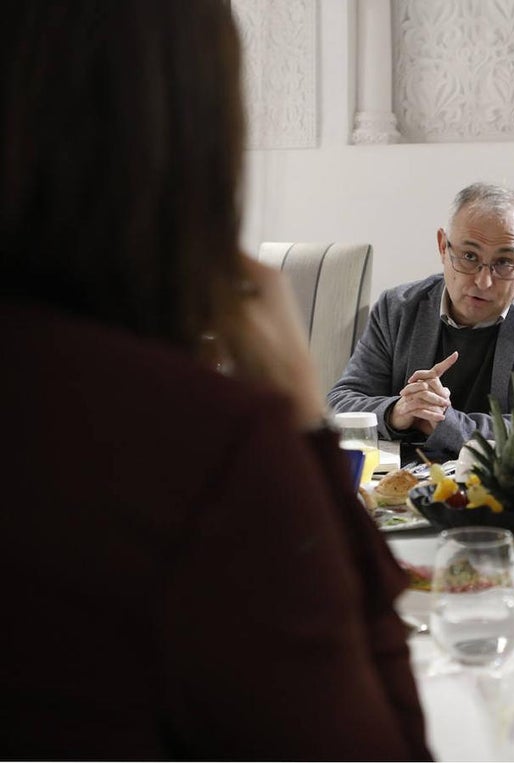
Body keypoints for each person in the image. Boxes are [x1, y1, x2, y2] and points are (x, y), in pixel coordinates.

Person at [0, 2, 430, 759]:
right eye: (466, 253)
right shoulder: (206, 444)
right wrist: (325, 421)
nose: (481, 273)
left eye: (502, 260)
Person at [327, 182, 514, 462]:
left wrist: (449, 425)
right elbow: (340, 403)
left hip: (512, 496)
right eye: (469, 257)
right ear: (443, 246)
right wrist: (399, 411)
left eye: (504, 262)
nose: (483, 281)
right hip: (401, 489)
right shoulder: (398, 308)